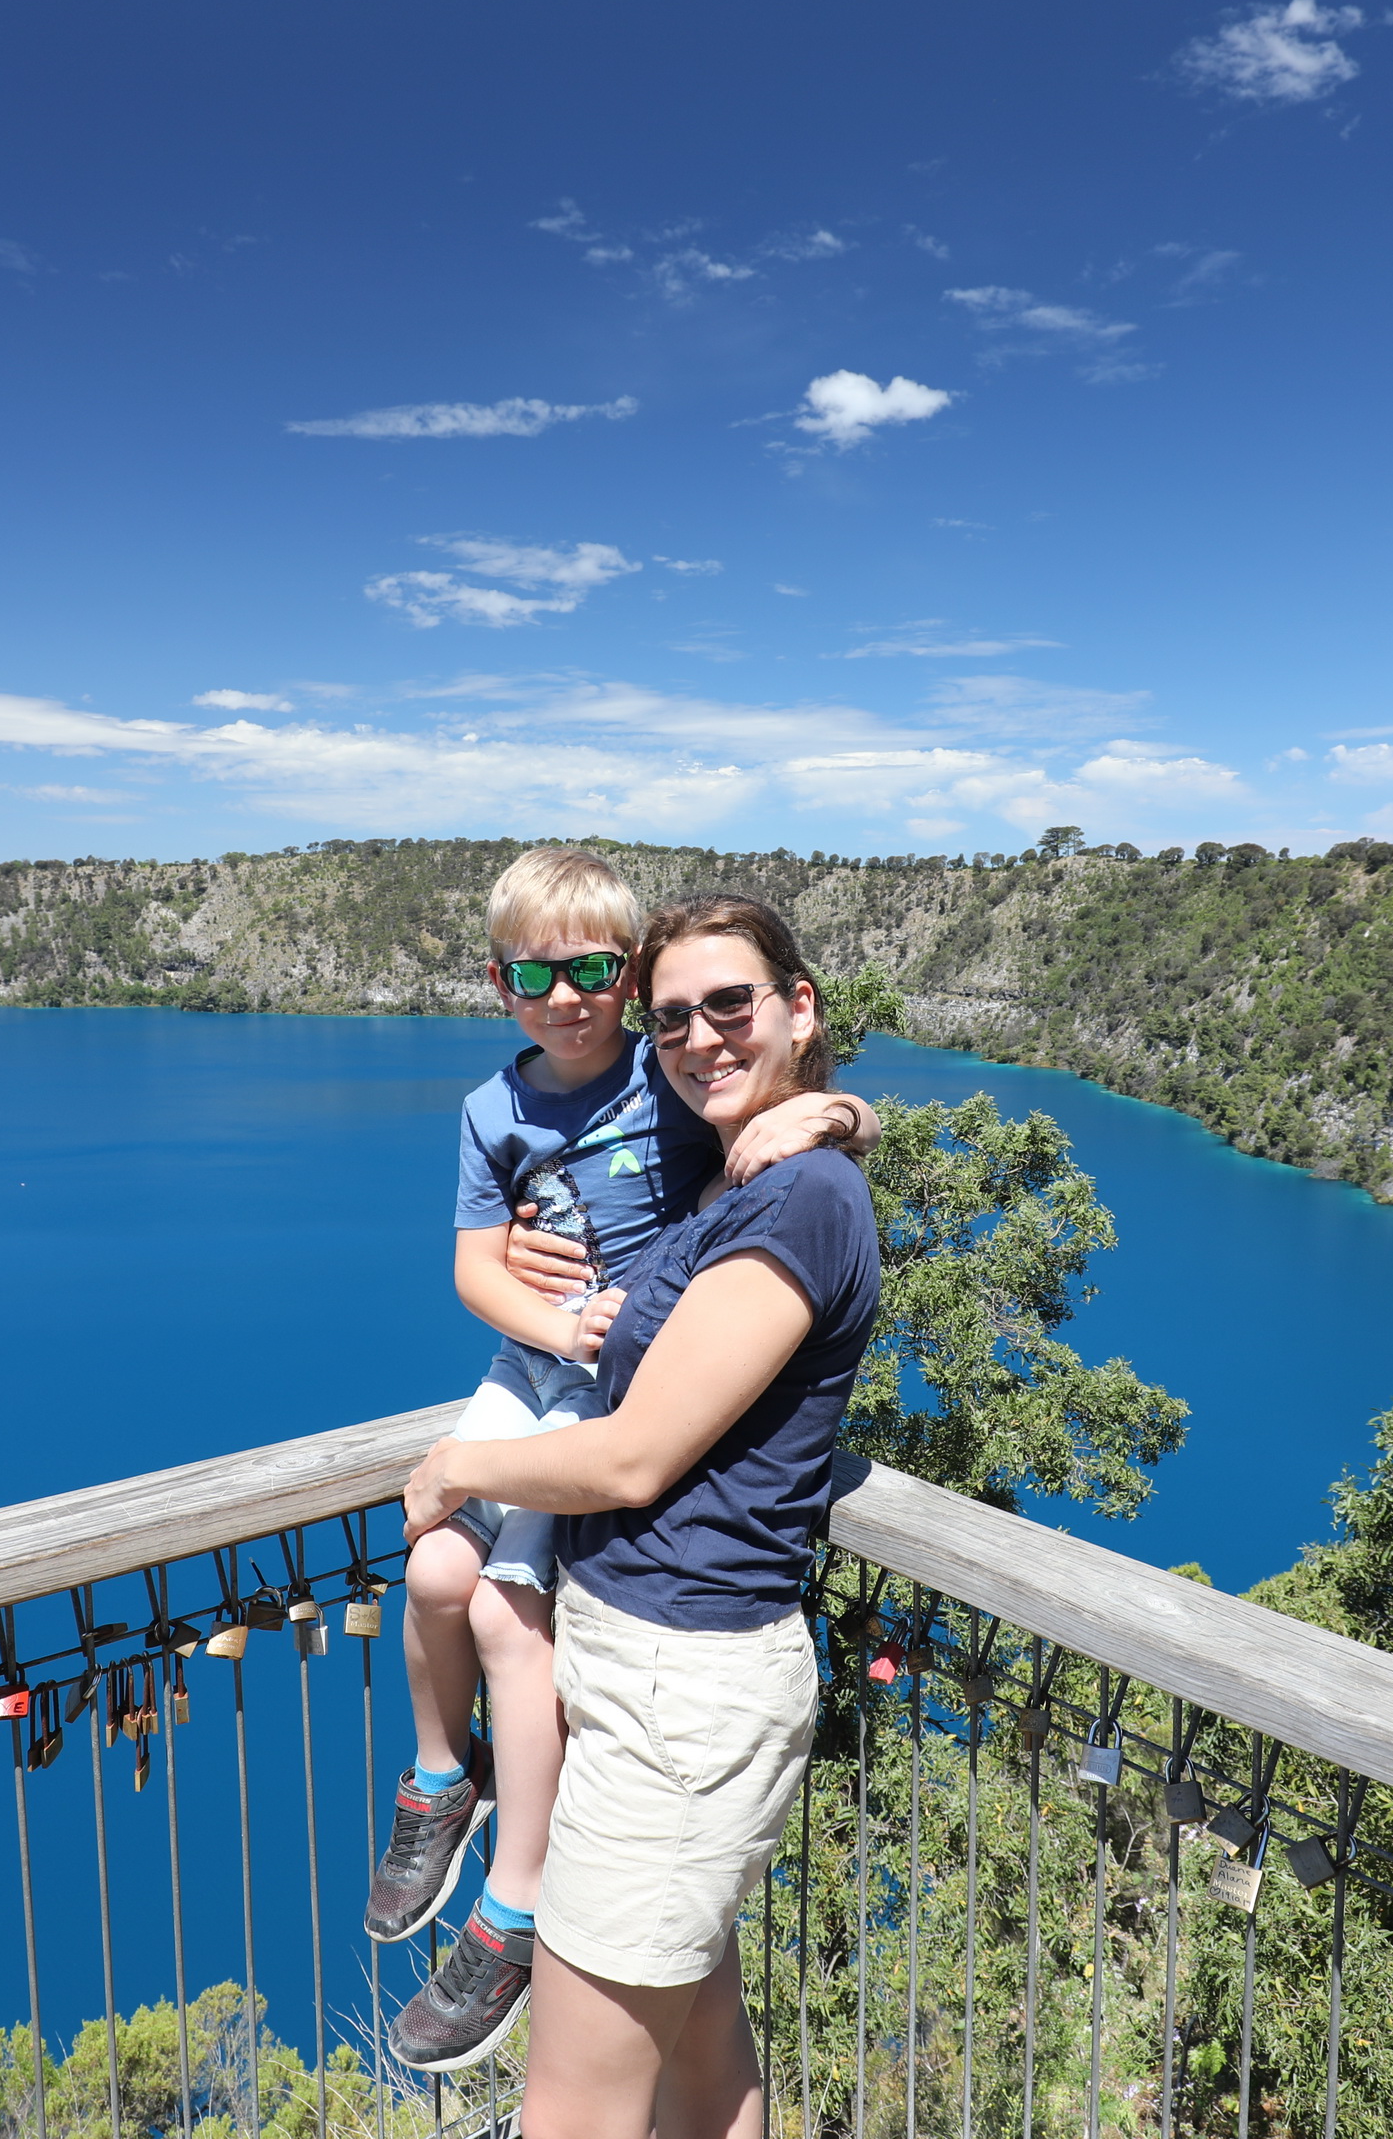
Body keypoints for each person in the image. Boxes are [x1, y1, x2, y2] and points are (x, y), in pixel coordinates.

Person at [375, 852, 877, 2073]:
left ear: (799, 1007)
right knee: (709, 2062)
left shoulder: (779, 1177)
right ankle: (441, 1779)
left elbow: (638, 1455)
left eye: (601, 974)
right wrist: (544, 1316)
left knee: (500, 1613)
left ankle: (512, 1899)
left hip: (683, 1686)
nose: (695, 1037)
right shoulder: (548, 1108)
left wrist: (842, 1110)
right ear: (500, 982)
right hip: (634, 1647)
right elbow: (477, 1258)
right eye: (674, 1015)